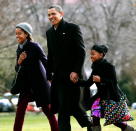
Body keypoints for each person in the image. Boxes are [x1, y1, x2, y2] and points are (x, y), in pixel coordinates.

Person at [46, 4, 92, 131]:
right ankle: (92, 126)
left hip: (73, 77)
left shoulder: (73, 28)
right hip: (59, 78)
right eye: (49, 15)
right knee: (63, 109)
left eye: (53, 14)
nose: (51, 17)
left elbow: (81, 51)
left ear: (61, 14)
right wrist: (48, 74)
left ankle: (92, 126)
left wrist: (76, 71)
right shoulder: (49, 33)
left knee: (74, 108)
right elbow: (51, 55)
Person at [76, 44, 136, 131]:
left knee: (114, 120)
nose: (91, 56)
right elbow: (88, 83)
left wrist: (101, 80)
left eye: (93, 54)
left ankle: (128, 129)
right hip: (100, 97)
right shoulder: (95, 67)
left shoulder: (109, 66)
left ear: (101, 55)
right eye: (90, 54)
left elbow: (113, 83)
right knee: (95, 116)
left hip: (111, 97)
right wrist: (77, 81)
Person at [13, 22, 58, 131]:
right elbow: (17, 69)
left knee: (48, 111)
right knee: (20, 112)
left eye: (19, 33)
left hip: (39, 84)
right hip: (25, 86)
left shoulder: (35, 46)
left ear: (26, 34)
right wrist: (19, 61)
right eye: (16, 33)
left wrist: (52, 77)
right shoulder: (19, 49)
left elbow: (45, 62)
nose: (17, 36)